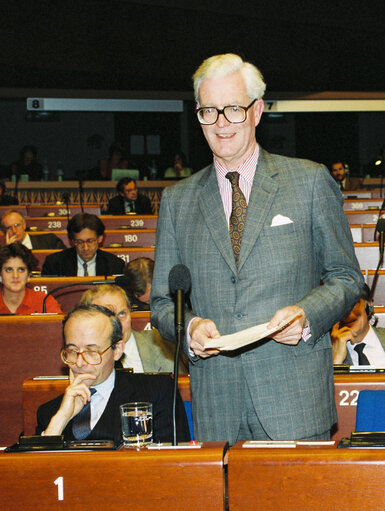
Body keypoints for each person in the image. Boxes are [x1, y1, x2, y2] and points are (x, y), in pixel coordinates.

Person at [150, 53, 363, 444]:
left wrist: (306, 315)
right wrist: (190, 328)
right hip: (217, 406)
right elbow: (163, 302)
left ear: (257, 110)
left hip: (294, 402)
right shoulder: (177, 200)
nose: (220, 124)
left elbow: (347, 277)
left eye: (232, 109)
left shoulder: (310, 181)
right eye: (208, 111)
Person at [35, 304, 190, 443]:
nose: (80, 363)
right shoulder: (50, 412)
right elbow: (36, 472)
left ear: (117, 350)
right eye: (72, 351)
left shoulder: (156, 392)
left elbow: (173, 463)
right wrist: (61, 419)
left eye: (91, 351)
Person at [80, 284, 188, 373]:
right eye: (108, 316)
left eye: (122, 314)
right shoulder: (82, 359)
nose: (118, 323)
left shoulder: (166, 342)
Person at [41, 213, 125, 276]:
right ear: (72, 241)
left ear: (100, 238)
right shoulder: (54, 263)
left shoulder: (114, 264)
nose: (85, 248)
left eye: (90, 241)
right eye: (79, 242)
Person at [331, 286, 385, 367]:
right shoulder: (322, 352)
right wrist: (335, 361)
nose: (348, 314)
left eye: (353, 305)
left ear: (369, 306)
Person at [0, 243, 62, 314]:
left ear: (28, 274)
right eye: (8, 270)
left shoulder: (45, 301)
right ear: (1, 274)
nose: (15, 276)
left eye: (21, 270)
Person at [1, 210, 66, 250]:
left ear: (24, 225)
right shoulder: (3, 252)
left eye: (17, 225)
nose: (14, 231)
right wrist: (9, 250)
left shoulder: (49, 241)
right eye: (9, 228)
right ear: (4, 231)